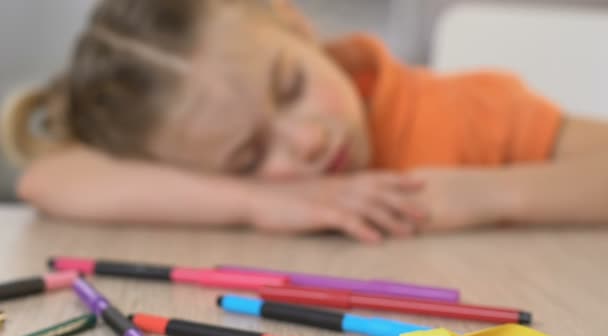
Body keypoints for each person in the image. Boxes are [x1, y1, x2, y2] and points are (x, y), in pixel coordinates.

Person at [3, 0, 608, 244]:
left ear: (293, 23)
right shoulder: (219, 184)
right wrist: (256, 202)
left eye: (291, 87)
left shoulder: (468, 112)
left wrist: (490, 193)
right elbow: (46, 181)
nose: (310, 142)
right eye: (248, 156)